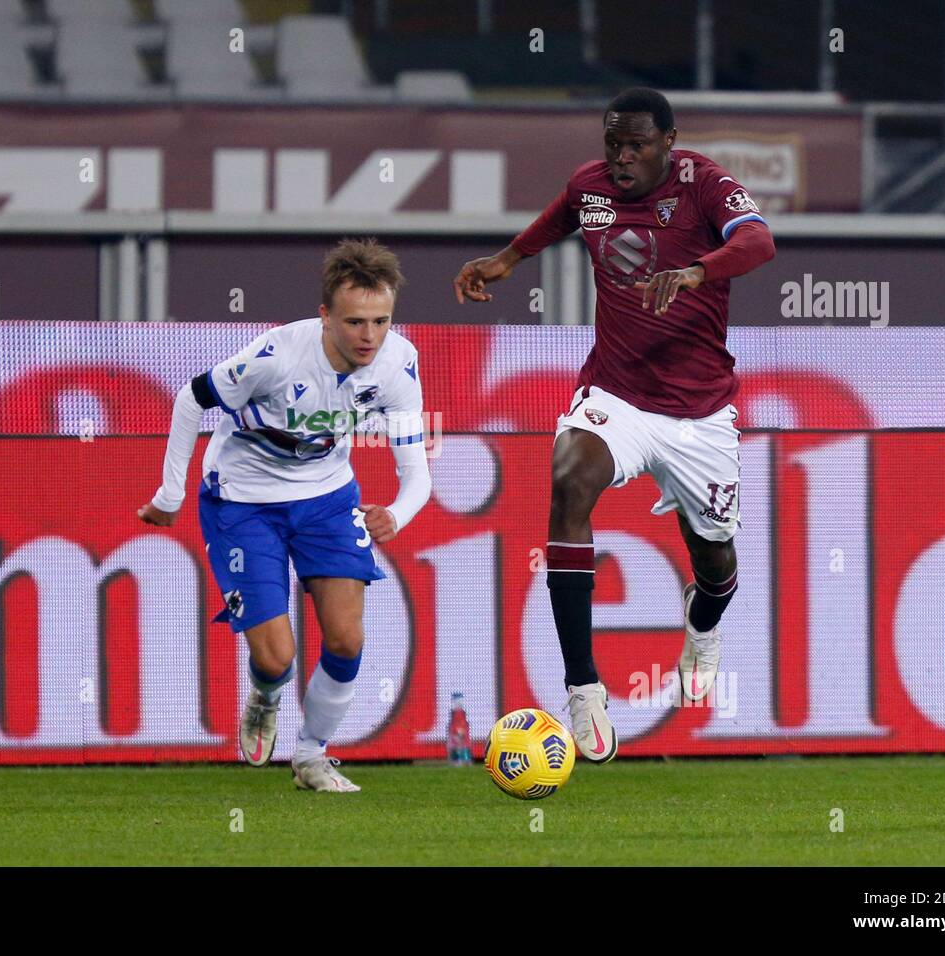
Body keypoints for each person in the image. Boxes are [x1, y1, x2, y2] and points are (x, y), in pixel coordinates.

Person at [452, 87, 775, 763]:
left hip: (700, 414)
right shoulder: (591, 186)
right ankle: (582, 688)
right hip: (618, 393)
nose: (622, 158)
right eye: (613, 144)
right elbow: (562, 214)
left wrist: (696, 272)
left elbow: (759, 241)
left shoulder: (705, 184)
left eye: (636, 145)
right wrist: (507, 260)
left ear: (668, 141)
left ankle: (703, 625)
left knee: (715, 560)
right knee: (570, 480)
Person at [139, 238, 431, 792]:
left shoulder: (398, 362)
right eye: (354, 322)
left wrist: (397, 512)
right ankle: (266, 695)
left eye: (380, 321)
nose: (369, 336)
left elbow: (417, 473)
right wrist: (170, 493)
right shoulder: (274, 356)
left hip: (327, 499)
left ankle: (312, 756)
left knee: (345, 639)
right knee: (277, 657)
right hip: (243, 501)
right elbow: (189, 399)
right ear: (325, 316)